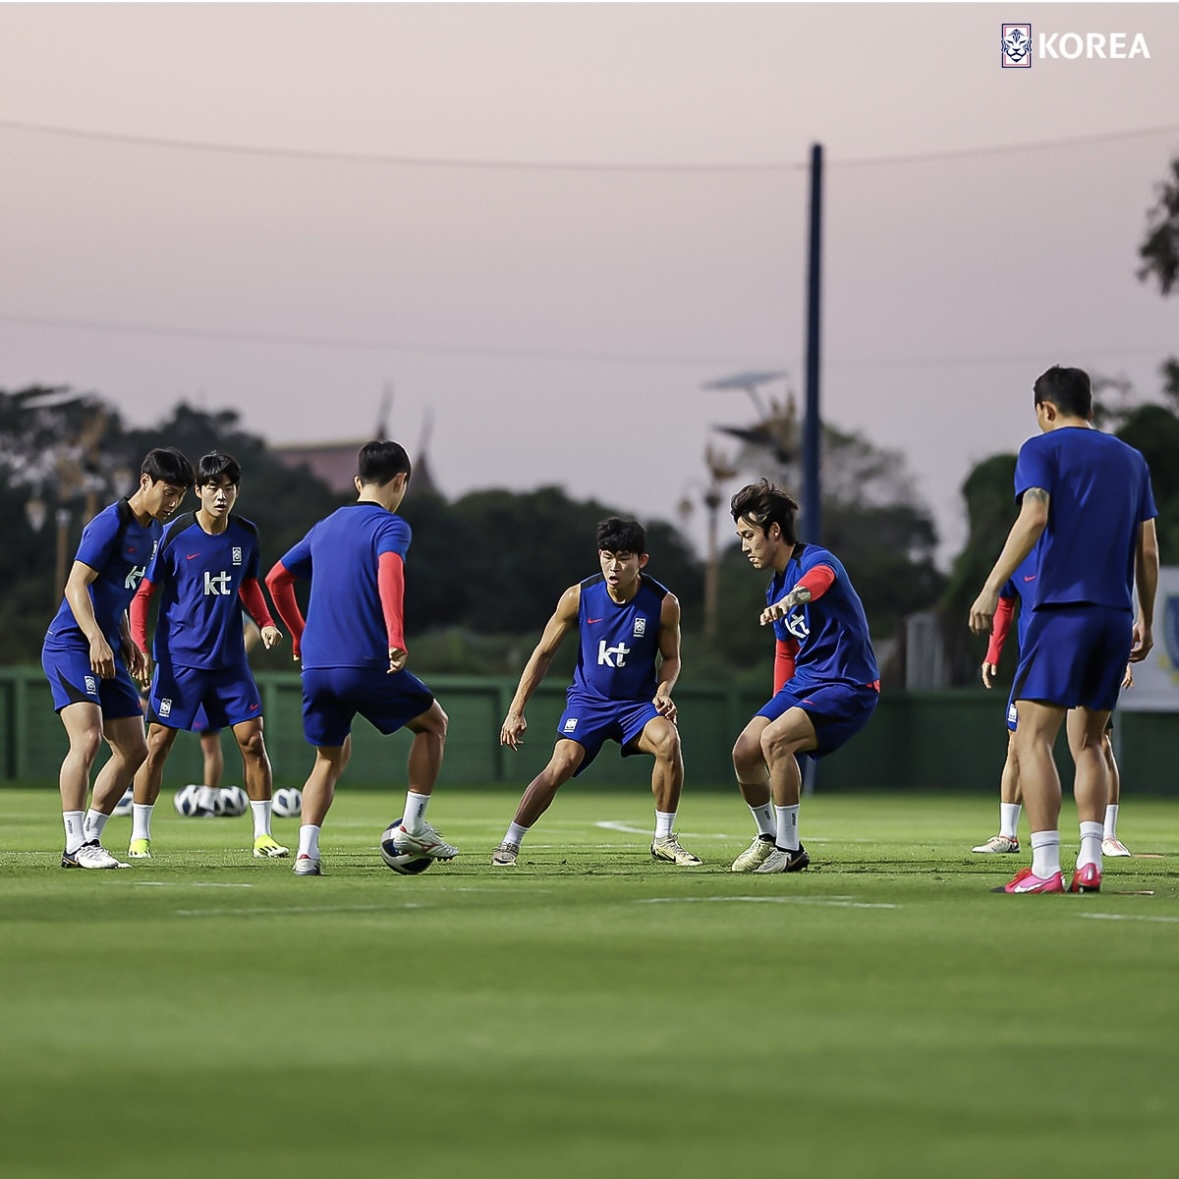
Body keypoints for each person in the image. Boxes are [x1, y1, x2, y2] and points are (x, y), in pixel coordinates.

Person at [969, 365, 1158, 894]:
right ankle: (1091, 860)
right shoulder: (1132, 460)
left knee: (1032, 738)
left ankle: (1047, 866)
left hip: (1060, 612)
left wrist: (991, 586)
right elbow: (1147, 549)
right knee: (1091, 742)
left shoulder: (1040, 449)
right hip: (1113, 617)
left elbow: (1033, 516)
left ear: (1045, 409)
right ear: (1090, 407)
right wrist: (1144, 615)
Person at [265, 439, 453, 877]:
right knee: (433, 724)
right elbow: (390, 572)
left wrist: (299, 635)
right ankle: (413, 826)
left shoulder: (325, 526)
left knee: (328, 758)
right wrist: (396, 636)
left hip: (316, 667)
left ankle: (306, 855)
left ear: (357, 482)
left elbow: (276, 579)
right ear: (401, 480)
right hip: (363, 662)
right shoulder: (390, 526)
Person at [493, 517, 699, 868]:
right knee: (561, 765)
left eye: (623, 557)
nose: (614, 566)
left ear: (641, 561)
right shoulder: (578, 597)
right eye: (606, 556)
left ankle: (664, 838)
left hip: (637, 706)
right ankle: (510, 843)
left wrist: (664, 690)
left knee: (668, 740)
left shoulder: (664, 603)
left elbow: (672, 657)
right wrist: (516, 710)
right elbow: (542, 653)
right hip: (589, 703)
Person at [128, 452, 287, 859]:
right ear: (198, 491)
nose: (221, 496)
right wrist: (142, 647)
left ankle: (263, 836)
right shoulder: (175, 533)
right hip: (180, 662)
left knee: (252, 741)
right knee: (158, 742)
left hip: (230, 662)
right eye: (213, 488)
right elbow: (144, 594)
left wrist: (266, 621)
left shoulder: (246, 534)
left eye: (229, 489)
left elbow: (249, 584)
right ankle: (139, 836)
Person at [41, 447, 193, 869]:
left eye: (180, 495)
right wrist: (95, 638)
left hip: (106, 647)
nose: (174, 502)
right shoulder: (109, 523)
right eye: (169, 492)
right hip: (71, 644)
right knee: (87, 740)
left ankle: (89, 839)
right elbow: (75, 587)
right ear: (145, 482)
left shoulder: (155, 533)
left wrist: (127, 641)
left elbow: (119, 592)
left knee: (133, 749)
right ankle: (74, 844)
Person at [729, 479, 880, 874]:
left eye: (748, 535)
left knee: (775, 740)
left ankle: (790, 849)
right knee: (745, 750)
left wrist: (790, 600)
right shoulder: (773, 588)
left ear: (774, 531)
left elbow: (818, 585)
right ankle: (768, 837)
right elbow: (785, 651)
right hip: (806, 681)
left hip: (849, 683)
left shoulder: (816, 560)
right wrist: (779, 704)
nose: (744, 545)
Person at [973, 567, 1134, 857]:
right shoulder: (1020, 555)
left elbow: (1108, 603)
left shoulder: (1075, 550)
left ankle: (1107, 836)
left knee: (1098, 743)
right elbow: (1005, 603)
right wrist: (993, 652)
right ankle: (1007, 835)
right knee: (1018, 745)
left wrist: (1118, 655)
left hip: (1083, 661)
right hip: (1035, 665)